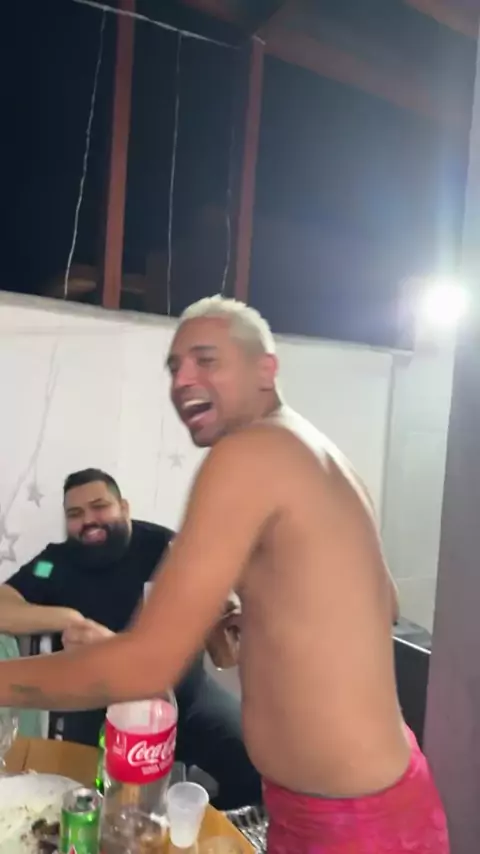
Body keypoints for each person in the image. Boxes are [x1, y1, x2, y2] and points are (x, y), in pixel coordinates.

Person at [0, 297, 448, 853]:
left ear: (266, 368)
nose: (182, 379)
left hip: (350, 820)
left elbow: (146, 666)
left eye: (206, 359)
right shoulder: (316, 449)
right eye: (174, 366)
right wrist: (264, 619)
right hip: (369, 797)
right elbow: (385, 603)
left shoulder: (247, 453)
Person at [0, 468, 260, 810]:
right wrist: (68, 618)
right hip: (96, 707)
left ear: (123, 507)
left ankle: (204, 823)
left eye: (99, 506)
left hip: (185, 696)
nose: (88, 521)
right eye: (75, 514)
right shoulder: (52, 564)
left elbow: (213, 612)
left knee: (257, 764)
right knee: (84, 800)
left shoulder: (164, 547)